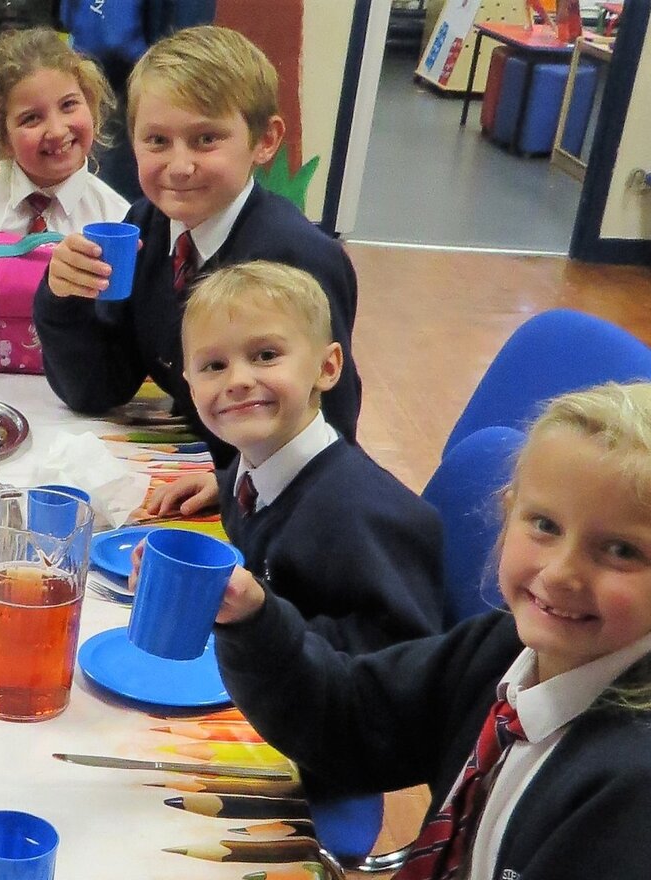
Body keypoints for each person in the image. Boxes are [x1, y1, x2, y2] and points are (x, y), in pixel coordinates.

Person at [212, 382, 651, 877]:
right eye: (545, 525)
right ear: (508, 516)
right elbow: (348, 718)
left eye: (621, 551)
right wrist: (251, 619)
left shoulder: (632, 789)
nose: (560, 573)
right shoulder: (501, 648)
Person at [34, 25, 360, 467]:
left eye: (206, 139)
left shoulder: (299, 260)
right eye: (158, 141)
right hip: (198, 460)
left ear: (265, 140)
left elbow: (334, 430)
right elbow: (97, 390)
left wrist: (242, 480)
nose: (180, 166)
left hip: (268, 495)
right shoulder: (146, 227)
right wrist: (63, 299)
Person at [145, 261, 441, 652]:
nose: (237, 381)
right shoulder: (248, 475)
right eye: (213, 366)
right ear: (190, 385)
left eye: (266, 355)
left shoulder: (360, 516)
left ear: (327, 367)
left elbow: (407, 657)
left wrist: (258, 622)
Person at [0, 26, 128, 333]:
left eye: (69, 105)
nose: (57, 130)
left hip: (66, 377)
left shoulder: (116, 217)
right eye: (31, 118)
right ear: (2, 134)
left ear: (91, 104)